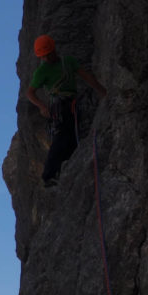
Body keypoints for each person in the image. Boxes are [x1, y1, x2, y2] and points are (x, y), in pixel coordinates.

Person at [26, 34, 108, 187]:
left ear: (53, 50)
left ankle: (66, 171)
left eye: (47, 55)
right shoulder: (42, 71)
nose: (46, 59)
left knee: (72, 137)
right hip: (59, 105)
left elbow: (86, 77)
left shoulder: (68, 61)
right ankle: (48, 175)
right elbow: (30, 93)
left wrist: (102, 92)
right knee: (62, 136)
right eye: (43, 56)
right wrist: (42, 106)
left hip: (72, 103)